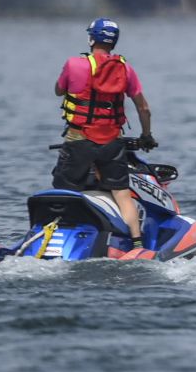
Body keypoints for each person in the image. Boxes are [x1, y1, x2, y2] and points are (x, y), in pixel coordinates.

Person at [53, 17, 156, 247]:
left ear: (91, 38)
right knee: (121, 193)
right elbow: (144, 108)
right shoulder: (125, 69)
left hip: (78, 139)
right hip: (112, 141)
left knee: (64, 190)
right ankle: (137, 243)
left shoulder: (73, 65)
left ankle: (56, 236)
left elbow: (59, 90)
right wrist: (146, 136)